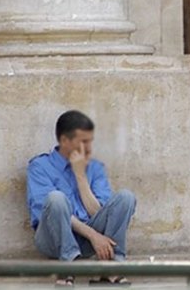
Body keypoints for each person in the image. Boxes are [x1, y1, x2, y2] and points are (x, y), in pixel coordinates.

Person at [26, 110, 137, 287]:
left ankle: (111, 267)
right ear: (64, 141)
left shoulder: (95, 167)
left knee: (126, 197)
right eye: (83, 142)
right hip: (53, 238)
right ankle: (67, 267)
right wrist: (93, 235)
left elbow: (100, 213)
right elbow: (46, 213)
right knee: (56, 198)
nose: (89, 147)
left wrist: (81, 177)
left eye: (90, 141)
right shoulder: (40, 166)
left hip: (90, 242)